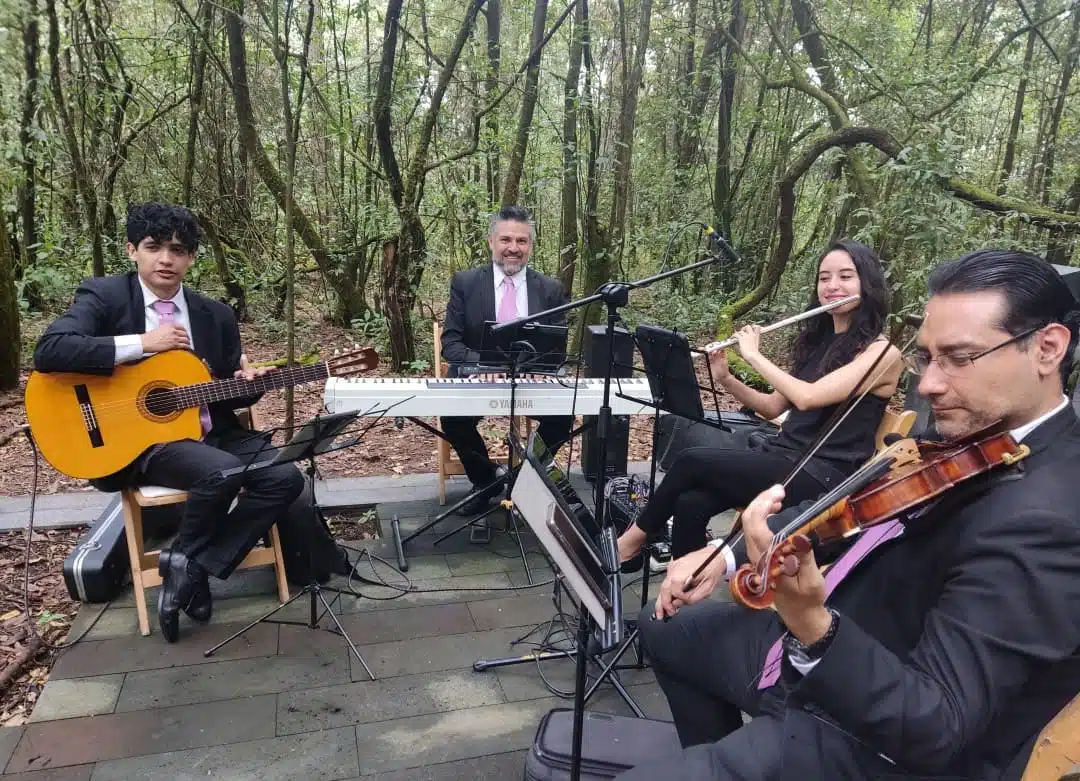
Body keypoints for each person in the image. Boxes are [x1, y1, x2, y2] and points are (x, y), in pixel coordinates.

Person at [617, 249, 1080, 781]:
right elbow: (845, 511)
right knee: (665, 631)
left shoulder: (1051, 519)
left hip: (868, 730)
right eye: (927, 358)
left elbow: (937, 727)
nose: (929, 385)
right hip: (811, 653)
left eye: (959, 357)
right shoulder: (968, 432)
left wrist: (815, 624)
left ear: (1047, 348)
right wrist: (723, 557)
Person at [34, 202, 307, 643]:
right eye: (154, 247)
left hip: (208, 432)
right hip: (137, 443)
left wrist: (250, 383)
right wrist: (142, 343)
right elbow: (50, 351)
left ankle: (190, 564)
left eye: (178, 250)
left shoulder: (214, 315)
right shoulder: (105, 297)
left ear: (191, 258)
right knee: (219, 472)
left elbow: (222, 392)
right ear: (132, 251)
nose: (166, 258)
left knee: (285, 477)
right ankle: (192, 566)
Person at [618, 240, 903, 565]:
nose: (832, 286)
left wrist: (753, 354)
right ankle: (685, 599)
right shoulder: (818, 345)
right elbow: (771, 407)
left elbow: (806, 398)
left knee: (689, 460)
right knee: (690, 503)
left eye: (845, 276)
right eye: (824, 278)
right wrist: (725, 377)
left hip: (823, 475)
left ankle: (630, 543)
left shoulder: (883, 352)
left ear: (867, 284)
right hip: (784, 458)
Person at [441, 205, 573, 515]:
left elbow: (558, 347)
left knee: (563, 417)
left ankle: (523, 479)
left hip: (531, 379)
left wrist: (541, 369)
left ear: (531, 245)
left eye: (522, 241)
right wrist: (483, 365)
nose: (513, 248)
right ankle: (486, 481)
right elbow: (451, 342)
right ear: (491, 242)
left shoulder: (551, 290)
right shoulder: (466, 283)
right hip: (478, 377)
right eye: (506, 240)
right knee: (452, 419)